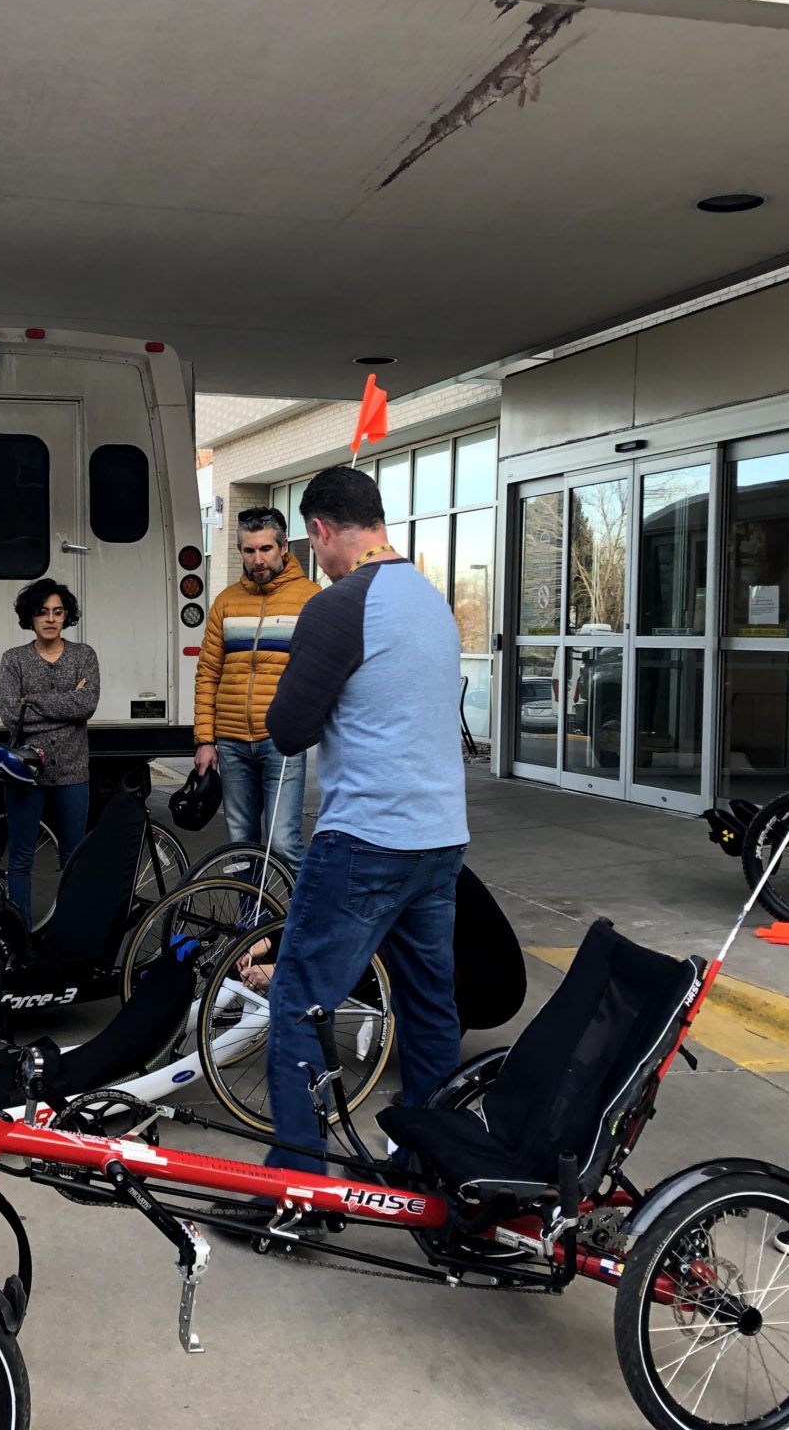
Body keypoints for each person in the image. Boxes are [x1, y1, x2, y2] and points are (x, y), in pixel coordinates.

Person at [256, 466, 468, 1180]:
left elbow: (287, 729)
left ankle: (297, 1179)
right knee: (429, 1008)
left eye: (311, 546)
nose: (317, 560)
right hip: (440, 840)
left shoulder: (339, 606)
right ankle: (426, 1166)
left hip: (367, 839)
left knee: (296, 1000)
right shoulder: (431, 600)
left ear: (320, 530)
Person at [193, 506, 319, 866]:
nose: (258, 559)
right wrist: (205, 740)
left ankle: (295, 922)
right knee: (240, 849)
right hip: (231, 744)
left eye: (265, 549)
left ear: (283, 548)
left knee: (282, 843)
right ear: (240, 552)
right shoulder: (226, 602)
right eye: (249, 550)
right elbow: (207, 674)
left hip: (280, 742)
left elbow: (319, 673)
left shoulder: (310, 599)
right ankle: (249, 922)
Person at [0, 578, 99, 921]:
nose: (51, 619)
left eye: (58, 612)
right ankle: (20, 934)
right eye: (42, 613)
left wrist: (33, 702)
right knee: (21, 859)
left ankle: (69, 932)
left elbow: (86, 705)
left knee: (73, 855)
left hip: (73, 770)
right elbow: (11, 714)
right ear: (31, 617)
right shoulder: (14, 660)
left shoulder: (84, 655)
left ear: (67, 616)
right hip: (23, 772)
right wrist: (66, 704)